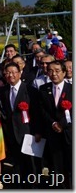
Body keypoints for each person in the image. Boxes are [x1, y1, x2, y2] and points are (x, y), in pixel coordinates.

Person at [0, 62, 38, 188]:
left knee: (31, 163)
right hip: (12, 133)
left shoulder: (30, 90)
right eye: (7, 73)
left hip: (28, 132)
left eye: (13, 72)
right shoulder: (3, 91)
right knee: (17, 162)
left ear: (20, 73)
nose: (11, 75)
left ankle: (33, 187)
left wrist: (37, 131)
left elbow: (37, 113)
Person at [37, 60, 72, 189]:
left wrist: (62, 124)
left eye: (57, 71)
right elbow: (42, 110)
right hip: (52, 133)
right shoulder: (43, 89)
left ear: (64, 72)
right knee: (57, 165)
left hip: (69, 133)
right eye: (50, 71)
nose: (54, 74)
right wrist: (53, 123)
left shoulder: (71, 89)